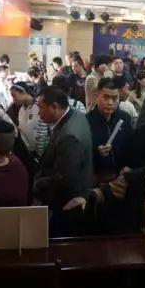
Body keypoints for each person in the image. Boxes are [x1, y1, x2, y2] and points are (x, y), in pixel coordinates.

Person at [34, 86, 94, 232]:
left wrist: (38, 183)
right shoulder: (76, 115)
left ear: (54, 107)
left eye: (41, 108)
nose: (38, 113)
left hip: (68, 201)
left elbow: (64, 179)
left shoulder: (69, 136)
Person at [86, 78, 134, 184]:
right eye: (106, 97)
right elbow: (83, 156)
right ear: (96, 96)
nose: (110, 103)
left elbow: (131, 146)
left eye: (115, 98)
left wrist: (128, 166)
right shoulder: (87, 122)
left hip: (122, 178)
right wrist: (97, 153)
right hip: (97, 181)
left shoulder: (125, 118)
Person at [10, 82, 49, 159]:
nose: (13, 99)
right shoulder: (21, 110)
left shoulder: (39, 106)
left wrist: (40, 153)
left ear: (24, 92)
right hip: (31, 153)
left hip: (45, 152)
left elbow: (44, 132)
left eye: (14, 96)